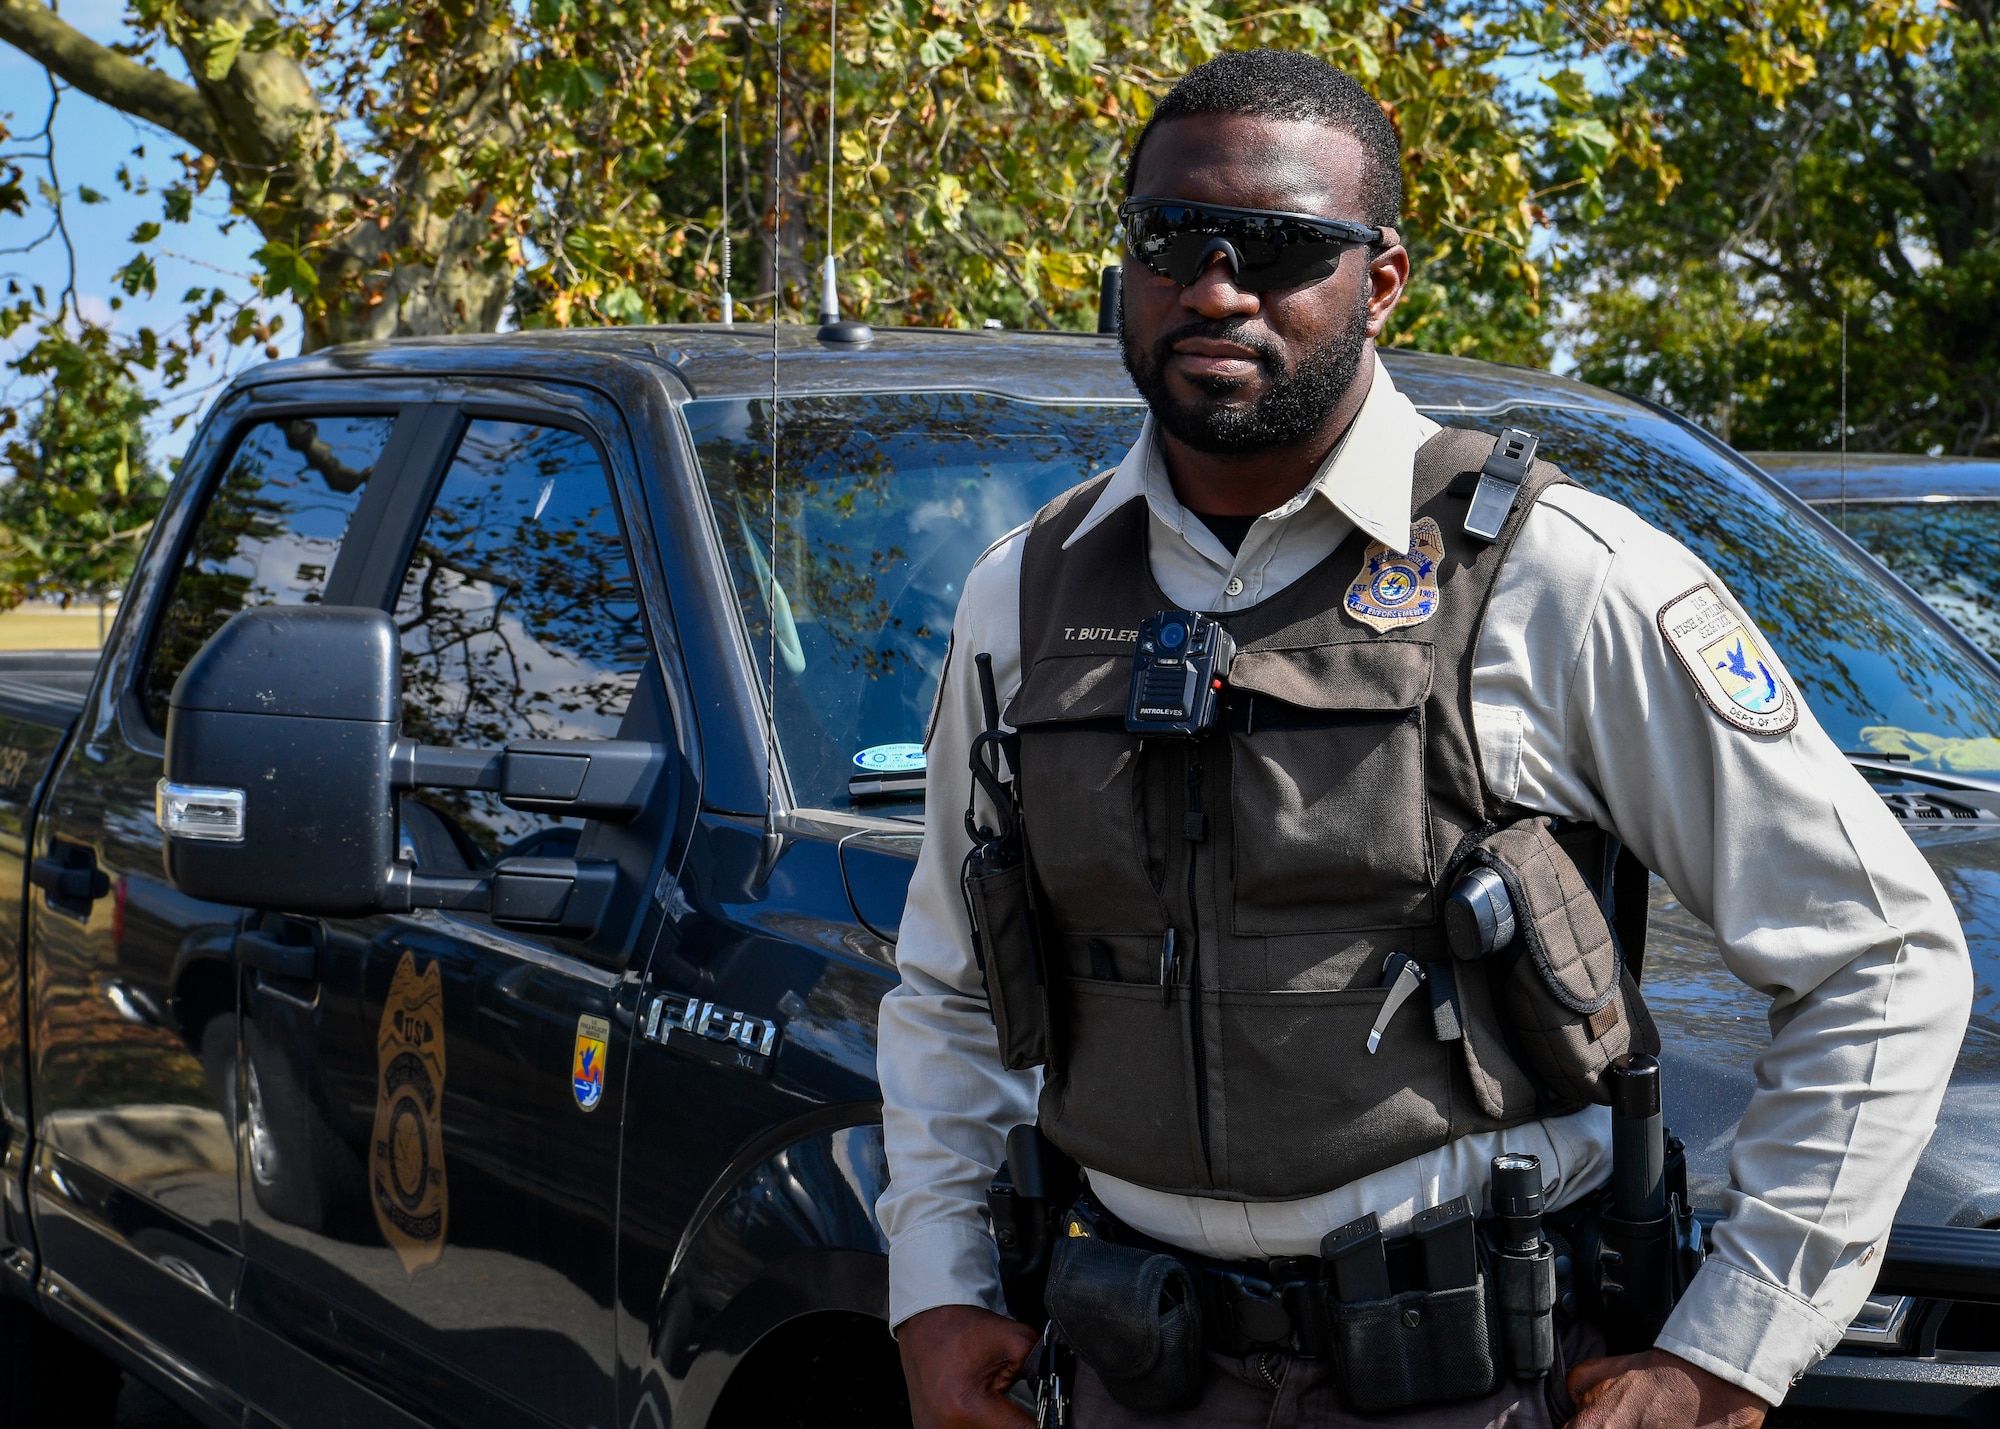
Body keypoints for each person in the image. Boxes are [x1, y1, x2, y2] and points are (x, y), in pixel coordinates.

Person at [877, 47, 1971, 1429]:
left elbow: (1881, 955)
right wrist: (934, 1285)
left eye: (1280, 247)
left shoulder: (1555, 575)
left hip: (1470, 1380)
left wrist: (1724, 1356)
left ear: (1381, 281)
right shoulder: (1023, 590)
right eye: (1171, 239)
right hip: (1124, 1364)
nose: (1214, 287)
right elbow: (950, 991)